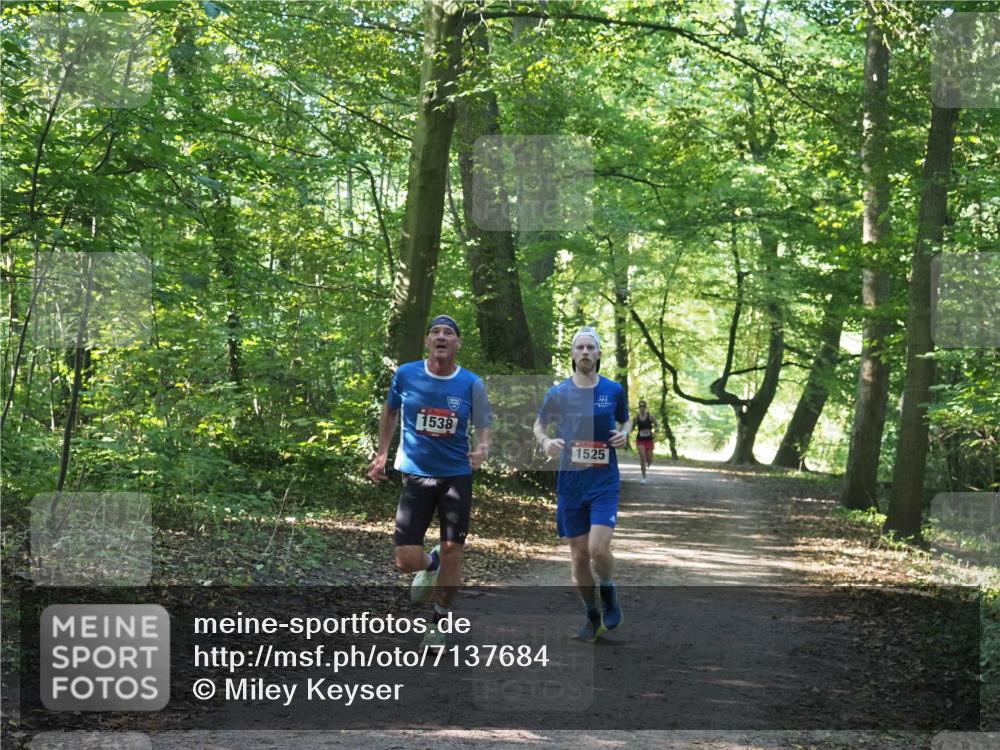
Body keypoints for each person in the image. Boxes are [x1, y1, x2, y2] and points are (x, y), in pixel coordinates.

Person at [367, 314, 492, 646]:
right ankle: (430, 562)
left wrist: (482, 448)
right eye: (435, 331)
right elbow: (391, 412)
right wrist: (382, 453)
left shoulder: (471, 384)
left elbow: (483, 425)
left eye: (448, 333)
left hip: (456, 477)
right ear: (427, 342)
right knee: (405, 560)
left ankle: (438, 623)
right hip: (417, 475)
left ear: (457, 344)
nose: (441, 336)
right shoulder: (406, 375)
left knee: (455, 552)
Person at [533, 326, 630, 642]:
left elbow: (624, 419)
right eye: (580, 348)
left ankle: (608, 589)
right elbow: (539, 424)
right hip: (571, 483)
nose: (586, 352)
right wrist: (545, 440)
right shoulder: (558, 392)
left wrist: (624, 433)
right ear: (573, 354)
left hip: (604, 481)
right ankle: (592, 616)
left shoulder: (613, 390)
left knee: (598, 548)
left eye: (591, 347)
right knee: (578, 558)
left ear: (599, 354)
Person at [633, 400, 657, 484]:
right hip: (640, 440)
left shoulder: (650, 417)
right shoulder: (636, 418)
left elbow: (657, 425)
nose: (642, 408)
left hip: (649, 440)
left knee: (649, 460)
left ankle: (648, 464)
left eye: (643, 406)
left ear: (646, 407)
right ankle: (644, 477)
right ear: (639, 408)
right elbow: (631, 428)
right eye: (640, 406)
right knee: (642, 458)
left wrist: (655, 433)